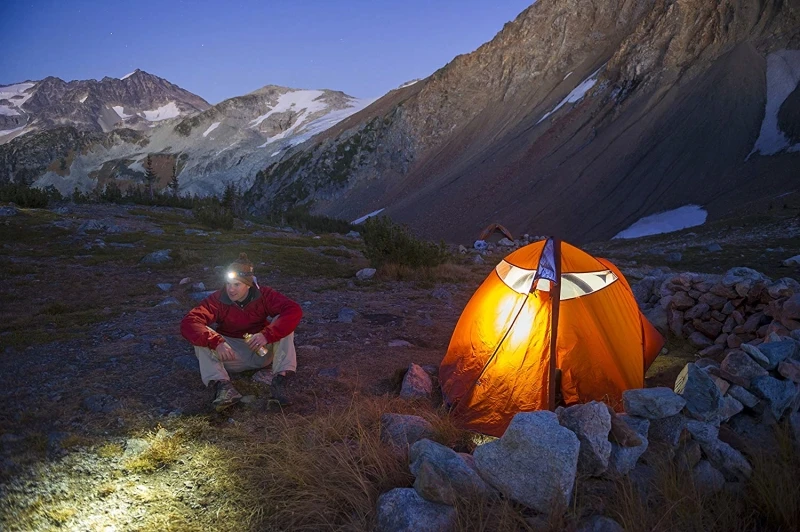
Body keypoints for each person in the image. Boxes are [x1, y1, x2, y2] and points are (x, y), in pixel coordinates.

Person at [180, 253, 303, 411]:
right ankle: (223, 387)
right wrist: (216, 342)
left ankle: (280, 381)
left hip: (261, 349)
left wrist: (267, 334)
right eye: (228, 284)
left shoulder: (264, 295)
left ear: (248, 284)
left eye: (237, 284)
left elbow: (293, 309)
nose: (231, 289)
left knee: (284, 323)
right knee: (203, 335)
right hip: (231, 355)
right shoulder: (218, 299)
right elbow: (189, 321)